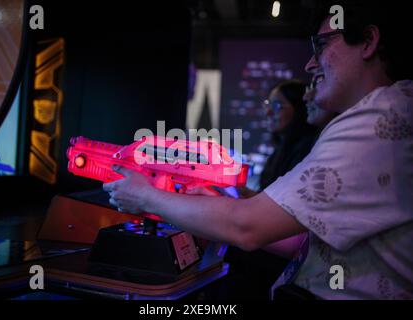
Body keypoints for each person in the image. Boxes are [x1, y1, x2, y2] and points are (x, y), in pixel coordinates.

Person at [104, 0, 413, 299]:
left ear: (368, 42)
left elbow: (247, 227)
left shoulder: (380, 116)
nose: (310, 63)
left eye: (321, 45)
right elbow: (301, 240)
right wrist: (217, 202)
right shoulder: (389, 111)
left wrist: (144, 196)